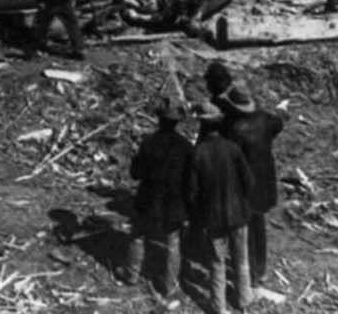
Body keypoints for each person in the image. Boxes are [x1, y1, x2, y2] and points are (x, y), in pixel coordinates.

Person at [186, 101, 254, 313]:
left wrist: (198, 214)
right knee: (241, 260)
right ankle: (244, 300)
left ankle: (219, 306)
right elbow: (249, 182)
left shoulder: (198, 154)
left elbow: (192, 192)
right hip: (238, 215)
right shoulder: (233, 149)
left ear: (202, 127)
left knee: (217, 264)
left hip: (213, 218)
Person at [122, 95, 192, 299]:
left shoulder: (149, 143)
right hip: (173, 201)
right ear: (177, 122)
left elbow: (135, 173)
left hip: (149, 197)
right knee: (172, 243)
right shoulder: (186, 147)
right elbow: (190, 178)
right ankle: (169, 285)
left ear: (159, 120)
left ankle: (131, 275)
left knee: (138, 235)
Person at [222, 84, 285, 290]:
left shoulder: (232, 128)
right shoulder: (265, 120)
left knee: (245, 229)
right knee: (259, 226)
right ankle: (260, 269)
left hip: (244, 184)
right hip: (264, 183)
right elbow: (279, 123)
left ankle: (250, 274)